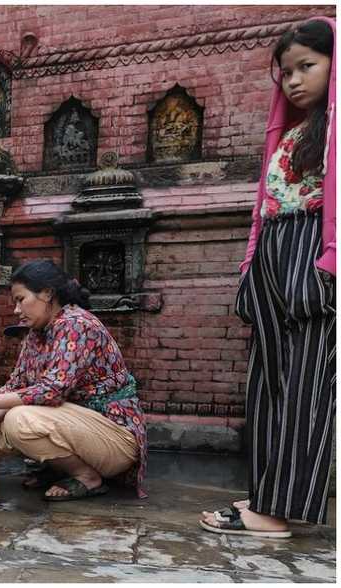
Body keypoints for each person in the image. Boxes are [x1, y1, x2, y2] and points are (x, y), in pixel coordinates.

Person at [201, 17, 336, 538]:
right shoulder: (293, 132)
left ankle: (279, 511)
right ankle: (267, 495)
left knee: (305, 388)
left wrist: (327, 266)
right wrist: (251, 267)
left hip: (312, 257)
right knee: (268, 385)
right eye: (286, 71)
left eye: (308, 65)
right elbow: (266, 207)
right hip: (274, 257)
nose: (295, 80)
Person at [0, 260, 148, 501]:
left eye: (20, 299)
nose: (16, 310)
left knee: (18, 419)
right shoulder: (37, 333)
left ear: (47, 294)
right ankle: (56, 469)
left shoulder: (76, 325)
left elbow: (52, 391)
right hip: (76, 429)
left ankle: (88, 477)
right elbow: (17, 384)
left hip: (114, 439)